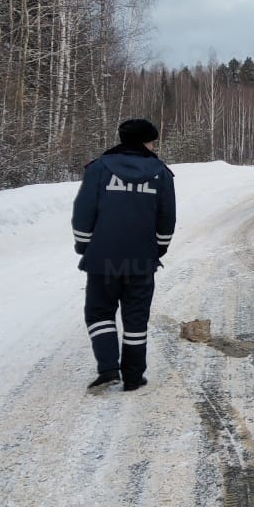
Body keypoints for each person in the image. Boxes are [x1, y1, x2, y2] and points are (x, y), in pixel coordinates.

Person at [72, 119, 176, 391]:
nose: (155, 146)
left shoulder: (99, 169)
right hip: (142, 259)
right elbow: (167, 217)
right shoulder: (161, 173)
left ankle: (108, 369)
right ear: (145, 142)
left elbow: (84, 211)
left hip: (102, 256)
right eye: (153, 141)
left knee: (99, 313)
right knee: (136, 318)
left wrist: (85, 245)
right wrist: (159, 248)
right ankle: (133, 375)